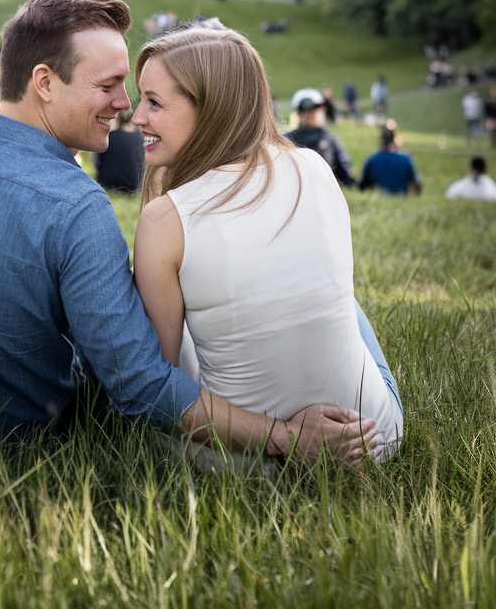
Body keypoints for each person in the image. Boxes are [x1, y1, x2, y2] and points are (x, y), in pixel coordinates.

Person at [0, 0, 378, 467]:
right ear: (44, 83)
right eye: (108, 86)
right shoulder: (75, 204)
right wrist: (284, 436)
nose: (124, 105)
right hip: (7, 451)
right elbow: (140, 384)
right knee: (345, 309)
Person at [131, 25, 402, 465]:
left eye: (154, 102)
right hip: (372, 439)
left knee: (164, 318)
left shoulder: (164, 220)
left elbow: (163, 387)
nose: (136, 116)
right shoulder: (313, 166)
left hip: (237, 464)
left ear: (212, 109)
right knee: (345, 304)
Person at [286, 94, 355, 187]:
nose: (310, 115)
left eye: (313, 111)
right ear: (299, 114)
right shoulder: (289, 139)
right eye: (306, 112)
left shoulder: (327, 136)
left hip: (324, 185)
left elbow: (343, 166)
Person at [94, 109, 144, 194]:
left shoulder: (108, 137)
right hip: (133, 186)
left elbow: (97, 162)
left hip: (107, 184)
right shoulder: (140, 138)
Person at [360, 127, 420, 196]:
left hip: (378, 196)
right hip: (400, 196)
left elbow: (363, 184)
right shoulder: (405, 159)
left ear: (381, 140)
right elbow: (414, 184)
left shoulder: (373, 159)